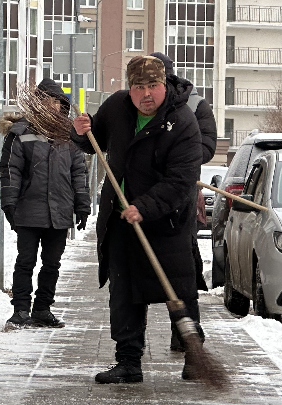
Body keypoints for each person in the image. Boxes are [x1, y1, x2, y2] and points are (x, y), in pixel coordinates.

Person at [72, 56, 203, 383]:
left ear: (164, 85)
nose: (147, 94)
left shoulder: (182, 121)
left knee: (178, 288)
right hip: (121, 221)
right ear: (129, 89)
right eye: (138, 87)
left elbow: (181, 180)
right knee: (124, 291)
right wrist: (80, 132)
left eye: (153, 86)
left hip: (168, 222)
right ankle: (128, 362)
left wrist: (144, 206)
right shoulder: (116, 107)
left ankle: (195, 355)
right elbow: (96, 143)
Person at [0, 78, 91, 329]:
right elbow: (10, 170)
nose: (55, 106)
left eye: (59, 102)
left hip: (59, 212)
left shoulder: (69, 136)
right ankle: (20, 310)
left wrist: (82, 204)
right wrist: (9, 203)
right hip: (29, 210)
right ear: (39, 102)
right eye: (50, 100)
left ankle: (42, 309)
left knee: (52, 264)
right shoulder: (21, 132)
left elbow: (78, 172)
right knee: (25, 261)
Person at [151, 53, 218, 352]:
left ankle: (186, 336)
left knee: (181, 270)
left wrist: (173, 155)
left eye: (157, 78)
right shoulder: (133, 102)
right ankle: (128, 351)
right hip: (141, 196)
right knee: (133, 270)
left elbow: (206, 146)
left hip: (180, 199)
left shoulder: (195, 106)